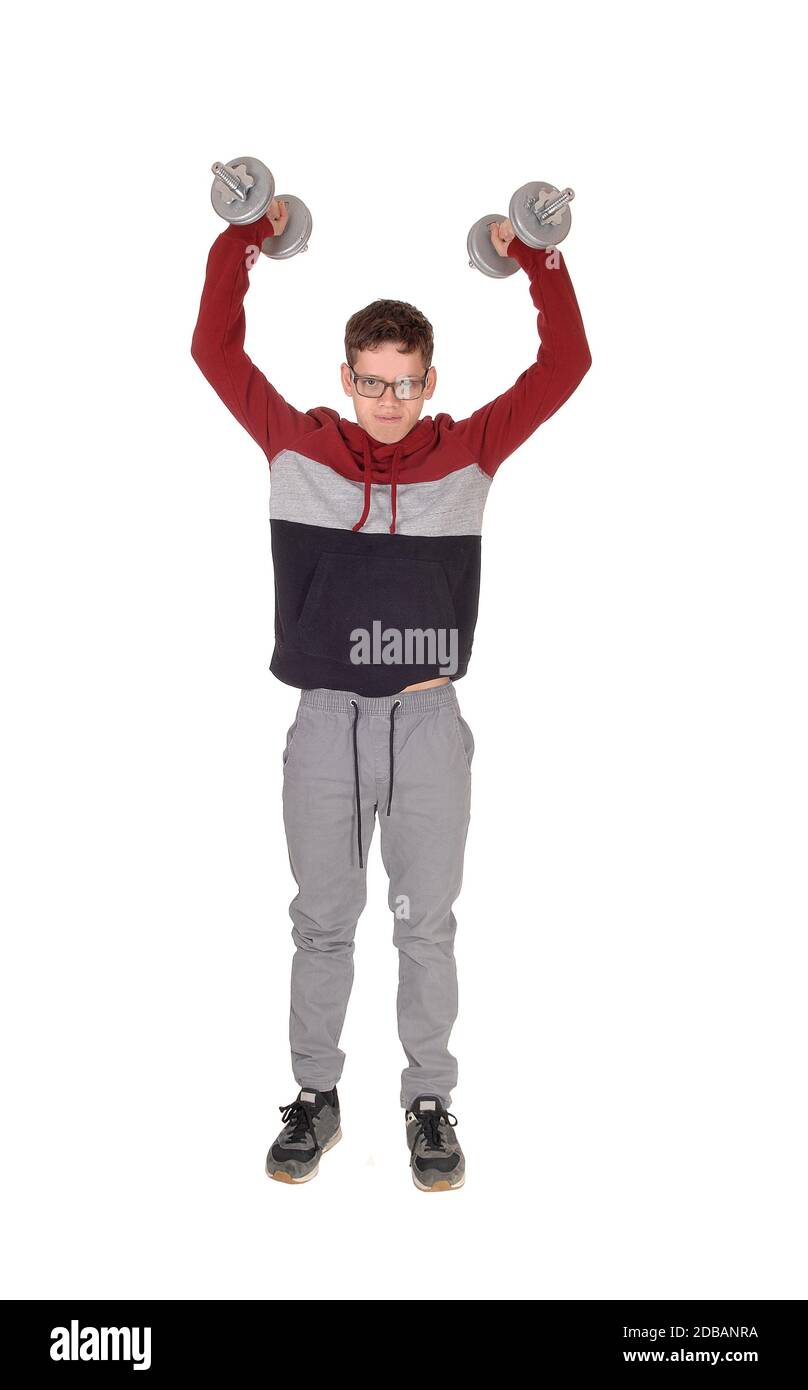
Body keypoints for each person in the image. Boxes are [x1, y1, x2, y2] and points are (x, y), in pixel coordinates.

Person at [191, 194, 591, 1191]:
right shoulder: (295, 445)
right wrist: (245, 232)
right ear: (346, 377)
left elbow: (565, 366)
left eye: (403, 384)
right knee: (322, 920)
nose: (385, 399)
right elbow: (213, 346)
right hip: (326, 720)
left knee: (424, 921)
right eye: (370, 382)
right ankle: (316, 1099)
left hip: (426, 720)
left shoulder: (468, 452)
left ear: (427, 382)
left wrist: (533, 256)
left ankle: (427, 1102)